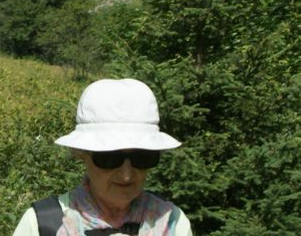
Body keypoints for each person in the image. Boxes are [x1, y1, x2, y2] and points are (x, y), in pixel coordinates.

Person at [12, 78, 192, 236]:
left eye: (142, 157)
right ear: (82, 154)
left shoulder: (174, 223)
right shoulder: (43, 225)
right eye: (109, 158)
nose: (126, 174)